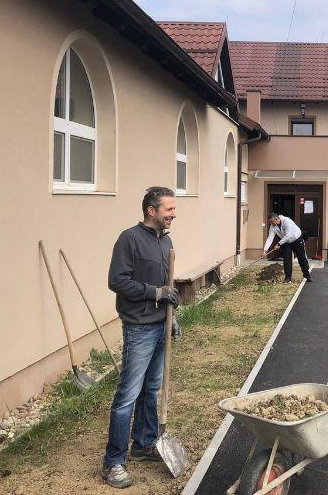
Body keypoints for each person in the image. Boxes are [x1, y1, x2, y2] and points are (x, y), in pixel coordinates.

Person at [101, 187, 183, 489]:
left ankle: (144, 443)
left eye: (174, 209)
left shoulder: (166, 241)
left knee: (151, 389)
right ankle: (113, 461)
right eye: (169, 209)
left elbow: (167, 286)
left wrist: (173, 316)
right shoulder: (130, 239)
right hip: (139, 329)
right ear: (152, 210)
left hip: (161, 325)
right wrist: (155, 293)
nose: (174, 214)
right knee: (128, 395)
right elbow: (117, 281)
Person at [264, 212, 313, 283]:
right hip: (286, 242)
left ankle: (307, 274)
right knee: (287, 259)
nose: (271, 224)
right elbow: (270, 238)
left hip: (296, 239)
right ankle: (288, 278)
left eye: (271, 222)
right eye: (270, 222)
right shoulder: (273, 226)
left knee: (302, 258)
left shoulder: (286, 221)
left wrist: (279, 244)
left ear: (276, 219)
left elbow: (288, 235)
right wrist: (265, 250)